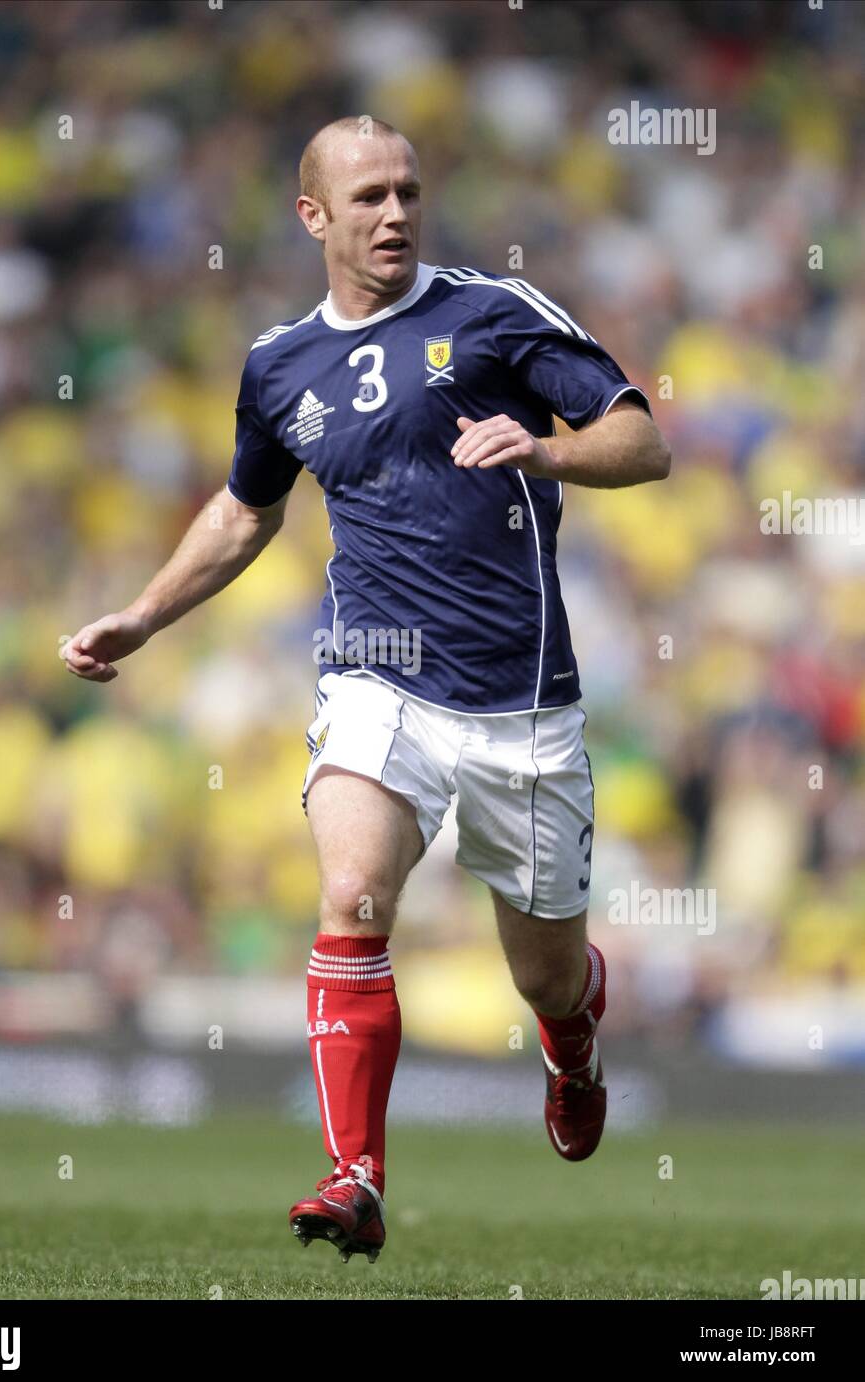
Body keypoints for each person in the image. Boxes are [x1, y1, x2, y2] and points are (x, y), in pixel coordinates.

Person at [63, 116, 671, 1264]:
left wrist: (544, 451)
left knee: (540, 968)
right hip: (374, 679)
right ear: (314, 217)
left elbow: (642, 443)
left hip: (521, 705)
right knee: (351, 892)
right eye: (368, 198)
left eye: (408, 191)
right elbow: (247, 510)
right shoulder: (279, 364)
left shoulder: (494, 314)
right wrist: (141, 616)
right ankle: (356, 1174)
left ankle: (574, 1034)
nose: (395, 214)